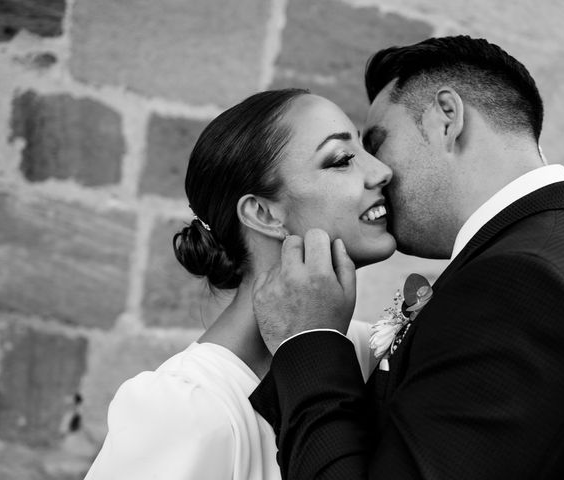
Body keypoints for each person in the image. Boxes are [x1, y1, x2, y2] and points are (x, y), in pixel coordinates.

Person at [250, 35, 564, 479]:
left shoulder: (518, 283)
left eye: (378, 143)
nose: (378, 172)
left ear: (446, 118)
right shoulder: (563, 245)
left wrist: (307, 340)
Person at [84, 88, 398, 479]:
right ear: (263, 213)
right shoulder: (182, 411)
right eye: (341, 160)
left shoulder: (375, 353)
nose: (382, 172)